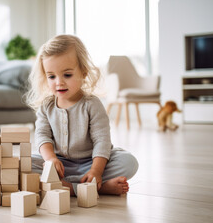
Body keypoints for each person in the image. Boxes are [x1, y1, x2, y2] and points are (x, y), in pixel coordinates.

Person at [25, 34, 138, 196]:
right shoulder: (46, 106)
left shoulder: (92, 104)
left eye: (67, 75)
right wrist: (50, 160)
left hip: (92, 162)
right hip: (60, 165)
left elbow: (102, 140)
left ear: (83, 72)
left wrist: (96, 171)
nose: (59, 82)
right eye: (52, 76)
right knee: (22, 164)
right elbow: (42, 136)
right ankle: (97, 188)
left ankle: (74, 185)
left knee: (129, 162)